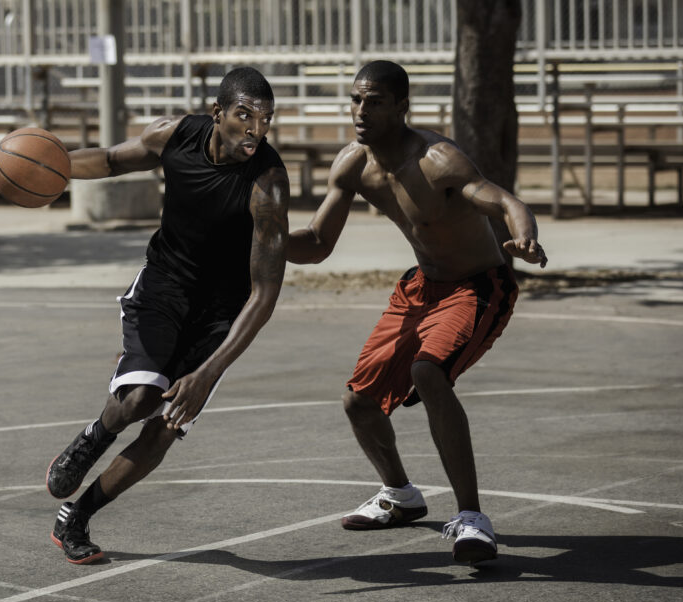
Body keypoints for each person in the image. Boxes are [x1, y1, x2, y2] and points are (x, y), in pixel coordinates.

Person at [287, 60, 547, 564]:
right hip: (421, 287)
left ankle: (472, 517)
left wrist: (526, 236)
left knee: (428, 373)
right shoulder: (353, 164)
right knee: (358, 402)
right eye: (357, 99)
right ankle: (401, 496)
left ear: (402, 106)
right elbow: (318, 243)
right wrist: (262, 239)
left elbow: (504, 202)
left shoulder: (437, 159)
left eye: (375, 101)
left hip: (477, 287)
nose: (361, 111)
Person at [44, 67, 290, 564]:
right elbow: (113, 160)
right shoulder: (175, 134)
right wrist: (52, 166)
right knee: (140, 399)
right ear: (217, 113)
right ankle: (95, 436)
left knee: (166, 426)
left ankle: (78, 515)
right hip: (163, 286)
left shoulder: (267, 184)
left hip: (222, 311)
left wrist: (207, 373)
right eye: (245, 116)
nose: (255, 130)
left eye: (265, 120)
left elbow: (264, 294)